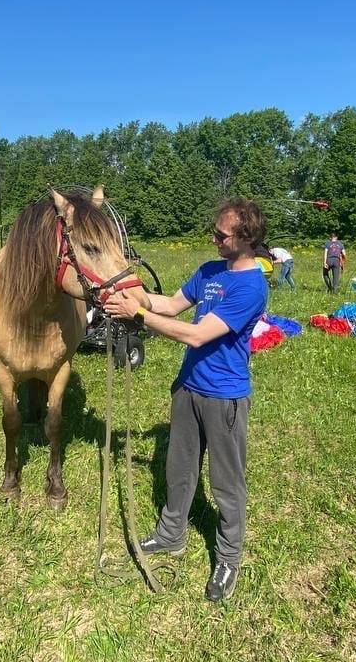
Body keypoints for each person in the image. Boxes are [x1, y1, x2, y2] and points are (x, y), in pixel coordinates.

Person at [104, 198, 269, 602]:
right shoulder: (210, 271)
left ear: (245, 239)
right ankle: (170, 535)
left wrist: (138, 317)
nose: (213, 238)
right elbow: (172, 305)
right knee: (178, 469)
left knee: (227, 485)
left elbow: (195, 334)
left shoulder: (251, 287)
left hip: (224, 397)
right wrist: (134, 294)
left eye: (221, 234)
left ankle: (229, 558)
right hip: (188, 387)